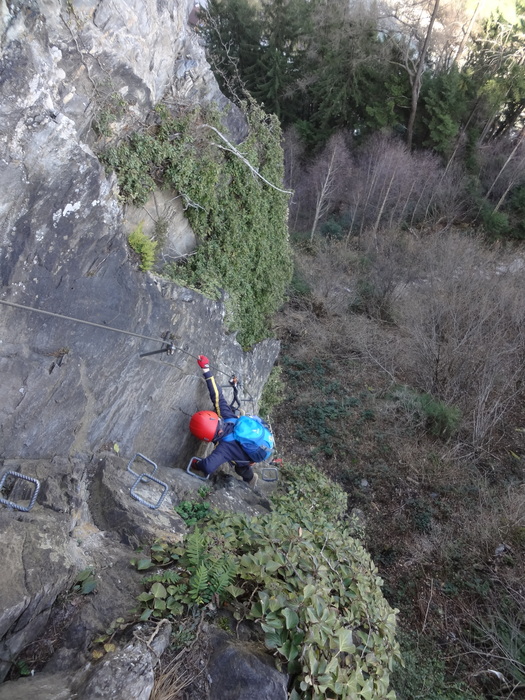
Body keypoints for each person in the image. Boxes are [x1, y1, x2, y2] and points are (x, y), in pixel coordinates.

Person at [189, 355, 259, 488]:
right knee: (231, 411)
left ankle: (250, 478)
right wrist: (206, 369)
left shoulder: (224, 449)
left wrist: (196, 464)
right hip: (253, 435)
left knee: (240, 466)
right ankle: (242, 418)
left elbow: (208, 467)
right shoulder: (227, 417)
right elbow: (217, 395)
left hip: (246, 457)